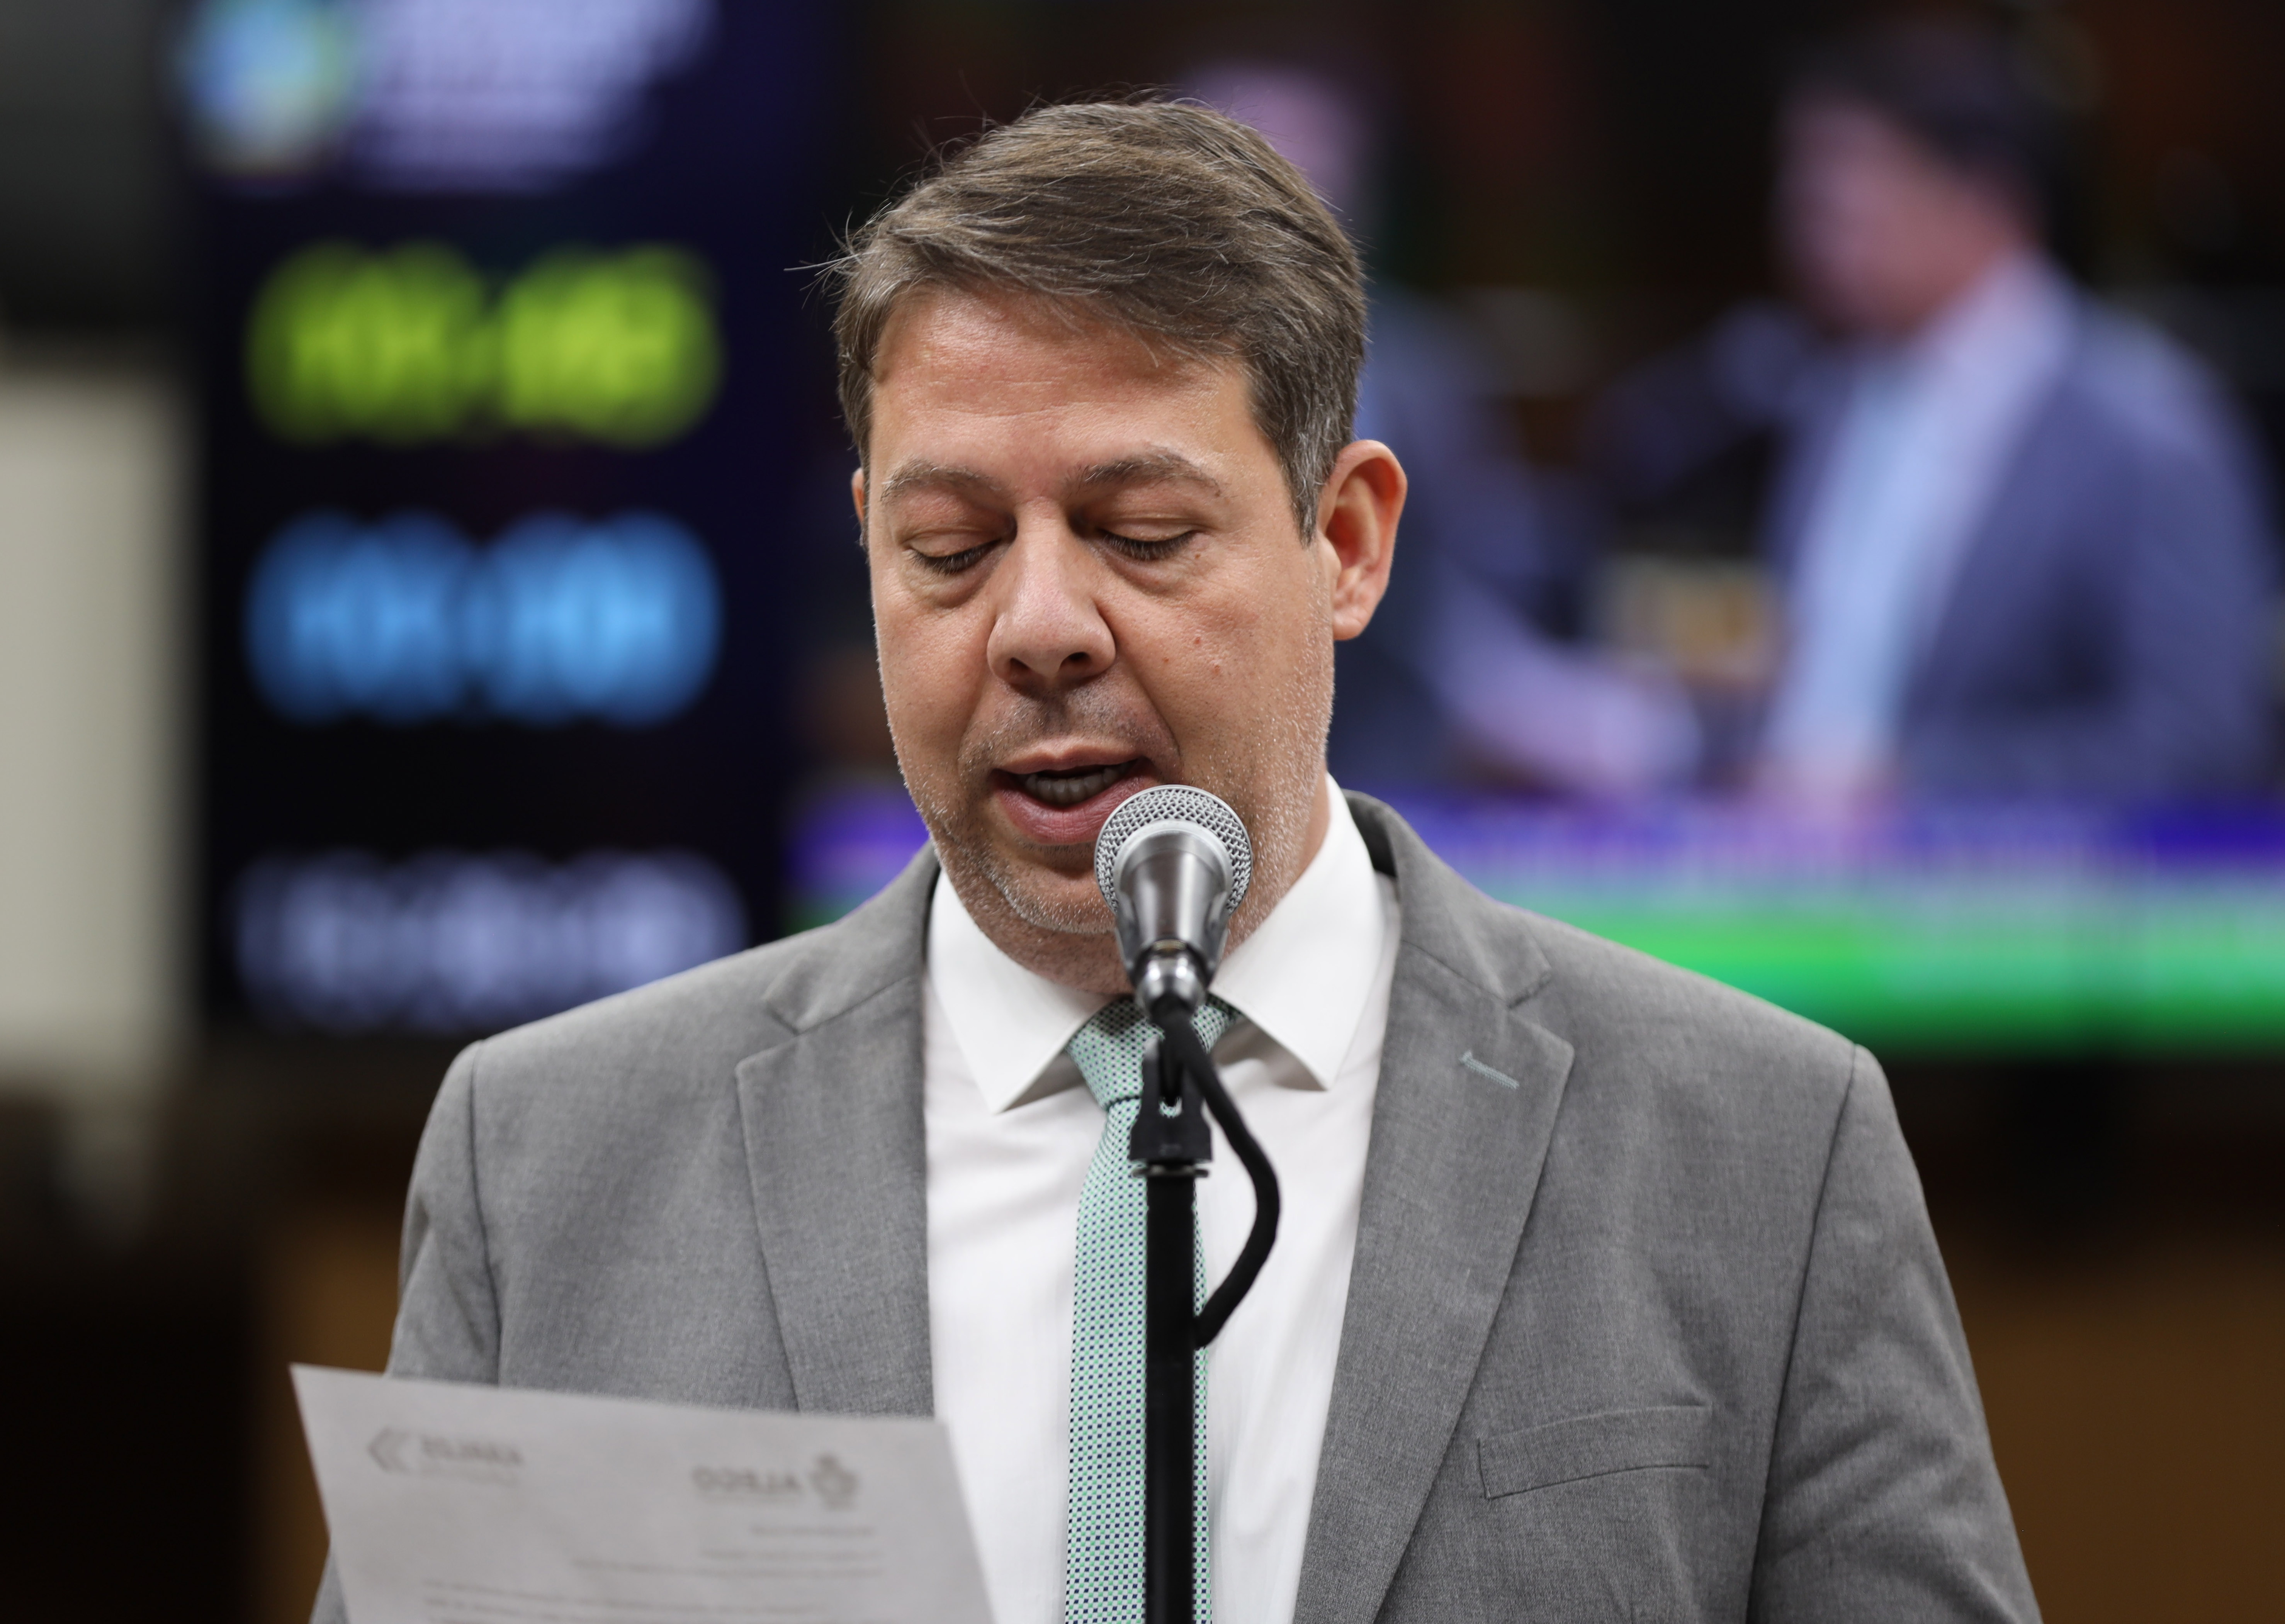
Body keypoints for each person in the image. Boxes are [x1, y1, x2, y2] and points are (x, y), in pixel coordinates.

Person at [314, 102, 2034, 1622]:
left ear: (1344, 540)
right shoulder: (549, 1163)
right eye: (948, 549)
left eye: (1138, 535)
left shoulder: (1761, 1152)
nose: (1037, 625)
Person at [1592, 19, 2275, 804]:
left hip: (2008, 879)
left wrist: (1910, 783)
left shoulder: (2149, 433)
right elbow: (1826, 703)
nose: (1809, 226)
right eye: (1802, 187)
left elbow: (2198, 742)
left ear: (1982, 199)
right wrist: (1667, 737)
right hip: (1780, 862)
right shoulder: (1835, 395)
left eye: (1846, 186)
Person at [1184, 57, 1701, 798]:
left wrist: (1537, 700)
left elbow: (1457, 597)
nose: (1304, 203)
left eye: (1326, 173)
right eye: (1267, 170)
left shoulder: (1417, 368)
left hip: (1391, 773)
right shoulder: (1115, 373)